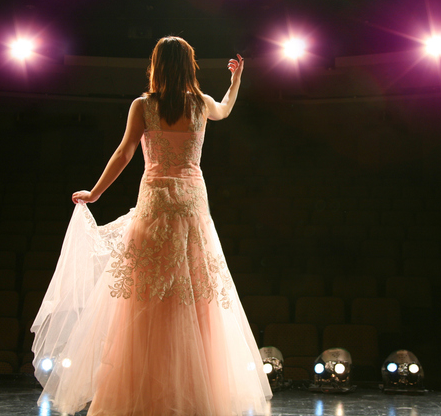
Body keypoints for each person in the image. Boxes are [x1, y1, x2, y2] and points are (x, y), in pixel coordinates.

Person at [31, 36, 272, 416]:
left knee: (147, 296)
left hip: (157, 200)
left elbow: (125, 151)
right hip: (191, 204)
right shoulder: (199, 104)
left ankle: (144, 395)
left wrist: (95, 193)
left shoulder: (144, 106)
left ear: (156, 66)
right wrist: (236, 80)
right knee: (192, 294)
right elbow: (225, 110)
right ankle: (192, 394)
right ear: (189, 66)